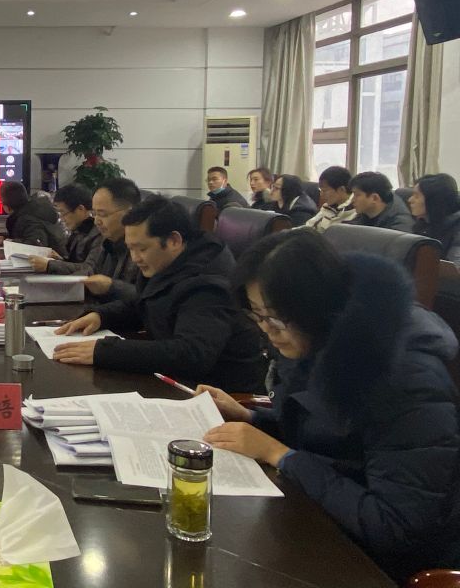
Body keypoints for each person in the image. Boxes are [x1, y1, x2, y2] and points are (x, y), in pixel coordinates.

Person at [197, 229, 460, 580]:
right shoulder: (322, 339)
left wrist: (281, 455)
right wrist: (252, 418)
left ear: (314, 305)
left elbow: (396, 525)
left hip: (377, 565)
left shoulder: (406, 379)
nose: (267, 332)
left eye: (274, 318)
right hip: (320, 523)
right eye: (257, 316)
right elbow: (327, 431)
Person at [53, 196, 265, 392]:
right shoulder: (169, 262)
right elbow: (143, 304)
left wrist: (105, 352)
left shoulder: (208, 283)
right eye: (130, 249)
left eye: (142, 249)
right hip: (176, 381)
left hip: (220, 395)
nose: (135, 258)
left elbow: (191, 354)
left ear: (174, 241)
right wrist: (101, 315)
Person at [79, 178, 143, 303]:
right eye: (94, 214)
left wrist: (112, 287)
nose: (96, 221)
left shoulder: (145, 247)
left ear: (129, 213)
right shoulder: (108, 242)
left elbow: (149, 298)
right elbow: (91, 273)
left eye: (102, 214)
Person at [28, 184, 102, 275]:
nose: (62, 219)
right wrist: (60, 260)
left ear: (80, 209)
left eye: (63, 213)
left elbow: (90, 269)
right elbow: (76, 263)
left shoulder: (99, 233)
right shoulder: (79, 230)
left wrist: (50, 265)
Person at [0, 181, 67, 255]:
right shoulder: (30, 211)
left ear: (7, 206)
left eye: (1, 202)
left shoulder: (28, 218)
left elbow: (36, 245)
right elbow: (27, 235)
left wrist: (8, 242)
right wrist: (5, 237)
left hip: (55, 260)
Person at [410, 173, 460, 264]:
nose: (410, 200)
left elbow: (453, 268)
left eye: (416, 196)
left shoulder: (457, 228)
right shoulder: (424, 222)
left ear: (434, 201)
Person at [347, 171, 414, 232]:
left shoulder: (400, 227)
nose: (352, 200)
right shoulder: (365, 214)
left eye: (357, 195)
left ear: (374, 198)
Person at [304, 165, 357, 232]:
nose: (321, 194)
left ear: (341, 189)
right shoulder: (329, 207)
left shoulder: (356, 210)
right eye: (320, 190)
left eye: (324, 191)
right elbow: (309, 226)